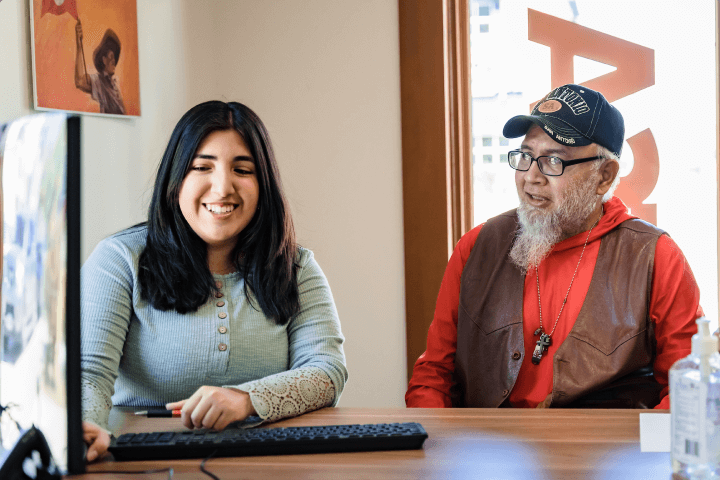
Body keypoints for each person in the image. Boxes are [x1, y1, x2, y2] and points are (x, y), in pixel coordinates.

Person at [406, 84, 702, 410]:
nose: (531, 177)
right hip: (489, 453)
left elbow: (690, 390)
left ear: (603, 176)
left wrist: (637, 455)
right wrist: (437, 451)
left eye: (552, 161)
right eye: (526, 156)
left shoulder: (655, 256)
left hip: (606, 455)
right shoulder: (476, 247)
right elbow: (433, 376)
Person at [80, 101, 347, 462]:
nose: (222, 188)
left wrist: (247, 399)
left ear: (263, 184)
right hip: (141, 462)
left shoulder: (297, 265)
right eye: (201, 167)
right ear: (176, 180)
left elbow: (326, 372)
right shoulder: (118, 260)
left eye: (243, 169)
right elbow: (88, 375)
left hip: (269, 464)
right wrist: (84, 427)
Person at [74, 22, 126, 115]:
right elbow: (79, 81)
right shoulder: (99, 81)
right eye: (111, 56)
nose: (114, 61)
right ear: (104, 59)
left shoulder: (115, 85)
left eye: (115, 57)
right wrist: (79, 44)